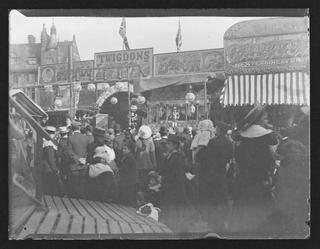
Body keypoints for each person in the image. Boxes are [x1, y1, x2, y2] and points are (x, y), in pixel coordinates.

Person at [230, 104, 278, 233]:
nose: (267, 121)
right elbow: (270, 162)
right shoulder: (266, 139)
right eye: (265, 119)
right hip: (260, 186)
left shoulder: (242, 141)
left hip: (243, 185)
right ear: (257, 121)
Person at [269, 130, 309, 236]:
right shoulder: (301, 160)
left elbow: (280, 183)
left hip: (287, 194)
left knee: (288, 214)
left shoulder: (286, 164)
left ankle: (290, 231)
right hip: (298, 193)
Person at [197, 121, 234, 232]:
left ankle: (213, 221)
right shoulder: (229, 142)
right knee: (222, 196)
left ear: (218, 130)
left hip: (211, 173)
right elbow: (230, 156)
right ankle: (223, 218)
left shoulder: (212, 142)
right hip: (222, 171)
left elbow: (202, 156)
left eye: (216, 128)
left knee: (212, 197)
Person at [158, 134, 197, 233]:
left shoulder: (178, 157)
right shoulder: (170, 155)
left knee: (175, 212)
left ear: (175, 145)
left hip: (175, 188)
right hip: (170, 187)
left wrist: (163, 178)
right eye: (167, 143)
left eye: (169, 143)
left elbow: (176, 174)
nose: (167, 145)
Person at [67, 121, 91, 198]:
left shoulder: (70, 138)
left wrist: (78, 159)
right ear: (79, 128)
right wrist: (84, 159)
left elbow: (69, 152)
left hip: (74, 165)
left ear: (72, 128)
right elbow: (89, 151)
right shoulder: (86, 138)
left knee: (74, 186)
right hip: (84, 165)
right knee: (82, 185)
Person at [41, 126, 63, 196]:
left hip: (46, 166)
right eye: (53, 133)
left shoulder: (44, 141)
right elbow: (50, 158)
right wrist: (55, 169)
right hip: (49, 168)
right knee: (51, 187)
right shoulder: (49, 143)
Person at [135, 125, 157, 197]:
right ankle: (146, 196)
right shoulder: (150, 142)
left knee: (140, 181)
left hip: (139, 165)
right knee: (148, 181)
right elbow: (152, 154)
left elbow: (135, 153)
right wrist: (154, 164)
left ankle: (140, 195)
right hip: (148, 165)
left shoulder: (138, 142)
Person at [118, 140, 139, 207]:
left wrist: (118, 170)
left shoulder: (129, 158)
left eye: (125, 149)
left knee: (128, 199)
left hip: (130, 182)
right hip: (130, 181)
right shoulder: (127, 157)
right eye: (123, 149)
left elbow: (125, 169)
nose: (123, 150)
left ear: (130, 150)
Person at [56, 126, 72, 195]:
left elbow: (59, 153)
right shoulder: (70, 140)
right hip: (69, 160)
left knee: (62, 176)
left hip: (63, 161)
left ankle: (63, 191)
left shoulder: (61, 142)